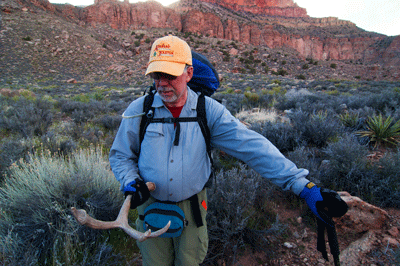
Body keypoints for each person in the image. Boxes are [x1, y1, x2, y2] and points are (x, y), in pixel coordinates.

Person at [109, 35, 345, 266]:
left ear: (188, 73)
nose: (162, 83)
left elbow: (252, 147)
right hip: (149, 206)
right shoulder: (140, 110)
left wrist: (302, 186)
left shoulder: (207, 111)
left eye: (170, 75)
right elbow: (121, 155)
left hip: (191, 208)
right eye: (156, 75)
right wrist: (130, 181)